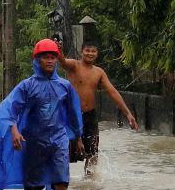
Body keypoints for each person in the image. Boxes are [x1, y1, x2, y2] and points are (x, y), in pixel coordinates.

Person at [0, 39, 84, 190]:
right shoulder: (27, 86)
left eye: (53, 57)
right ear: (37, 60)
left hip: (58, 140)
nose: (50, 61)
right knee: (31, 186)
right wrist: (14, 131)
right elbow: (10, 110)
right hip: (33, 142)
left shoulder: (65, 86)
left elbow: (74, 115)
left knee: (62, 183)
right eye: (45, 57)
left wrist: (78, 138)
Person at [57, 38, 138, 175]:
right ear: (82, 52)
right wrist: (59, 50)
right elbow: (63, 62)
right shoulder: (74, 65)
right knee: (66, 153)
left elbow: (112, 92)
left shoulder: (99, 72)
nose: (90, 53)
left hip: (90, 116)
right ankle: (64, 185)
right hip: (72, 116)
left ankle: (90, 186)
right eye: (87, 50)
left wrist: (128, 113)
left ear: (97, 53)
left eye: (93, 51)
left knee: (93, 155)